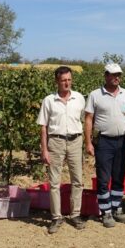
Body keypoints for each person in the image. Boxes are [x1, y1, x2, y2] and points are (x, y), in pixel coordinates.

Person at [37, 66, 87, 234]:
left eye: (69, 80)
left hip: (75, 141)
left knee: (77, 180)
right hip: (56, 141)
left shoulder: (79, 98)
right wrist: (44, 150)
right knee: (54, 182)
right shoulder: (49, 100)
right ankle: (56, 217)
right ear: (57, 81)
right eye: (63, 80)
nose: (67, 83)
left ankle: (75, 215)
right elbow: (43, 127)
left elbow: (84, 120)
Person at [84, 63, 125, 228]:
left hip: (122, 141)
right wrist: (88, 142)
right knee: (104, 178)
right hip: (104, 141)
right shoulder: (95, 95)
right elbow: (88, 119)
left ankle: (117, 209)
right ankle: (106, 212)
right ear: (106, 76)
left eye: (118, 74)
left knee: (119, 176)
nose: (117, 77)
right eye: (113, 74)